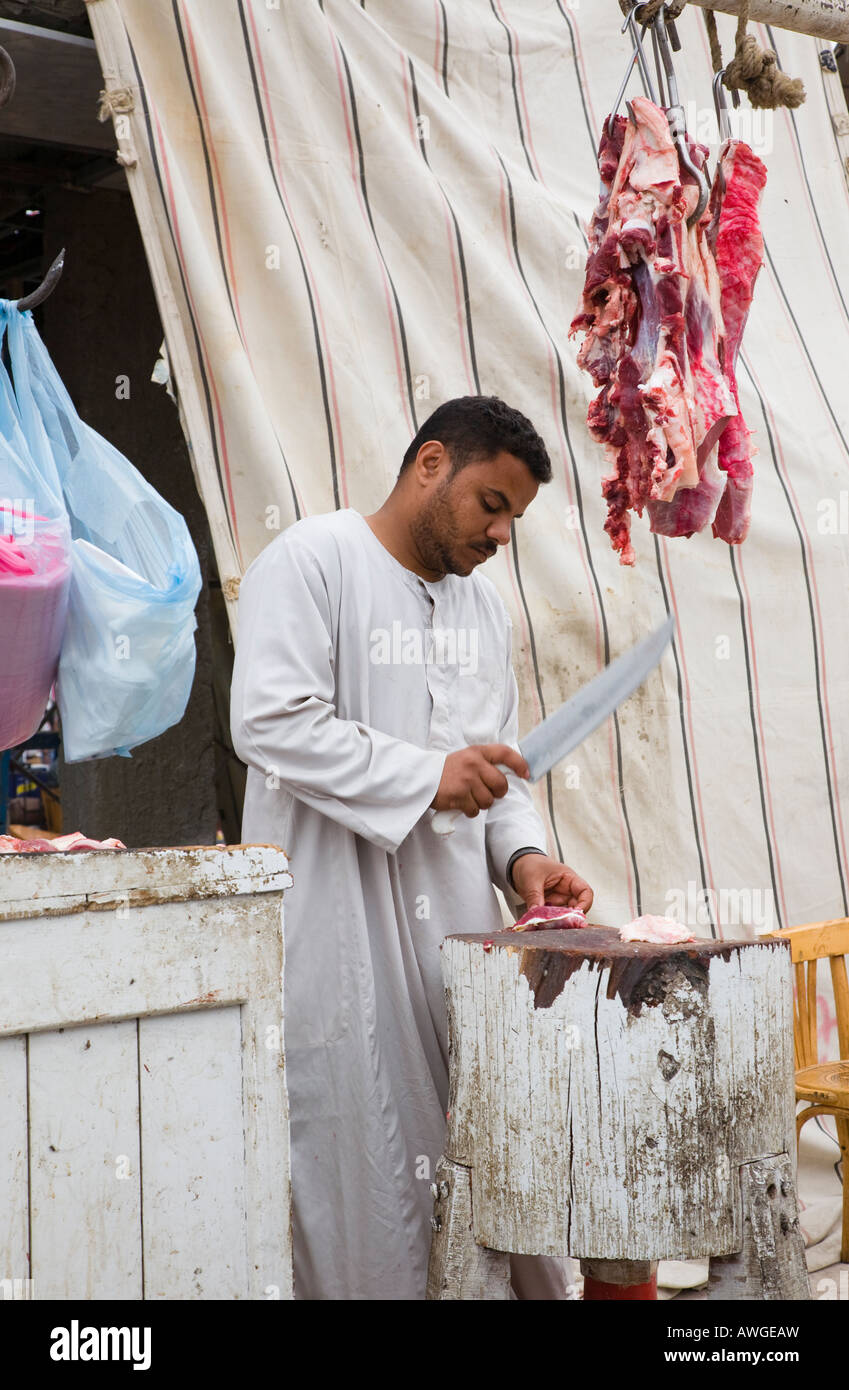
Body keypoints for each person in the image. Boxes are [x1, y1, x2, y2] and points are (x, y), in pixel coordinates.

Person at [230, 395, 593, 1299]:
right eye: (492, 504)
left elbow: (497, 779)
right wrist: (427, 776)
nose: (501, 533)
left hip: (455, 949)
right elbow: (269, 719)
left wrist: (523, 863)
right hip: (333, 933)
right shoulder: (313, 561)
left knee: (483, 1169)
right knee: (355, 1179)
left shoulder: (484, 615)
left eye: (514, 516)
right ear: (431, 464)